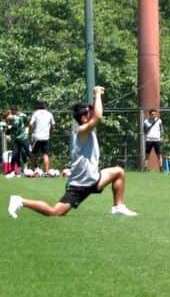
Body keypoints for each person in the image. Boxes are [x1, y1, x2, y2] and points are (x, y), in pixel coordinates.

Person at [8, 86, 136, 220]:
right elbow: (98, 116)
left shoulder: (84, 128)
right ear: (84, 118)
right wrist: (97, 94)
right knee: (55, 212)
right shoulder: (82, 130)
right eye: (89, 112)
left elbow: (95, 113)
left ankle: (118, 206)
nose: (92, 113)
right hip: (81, 184)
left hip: (93, 179)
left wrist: (96, 98)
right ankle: (20, 201)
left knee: (118, 172)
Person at [27, 101, 55, 174]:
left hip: (37, 137)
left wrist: (31, 132)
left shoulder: (35, 113)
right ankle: (47, 171)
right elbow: (53, 126)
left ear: (38, 106)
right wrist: (50, 133)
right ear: (45, 106)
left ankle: (33, 170)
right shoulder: (49, 114)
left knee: (33, 154)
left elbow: (30, 124)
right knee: (45, 154)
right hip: (45, 137)